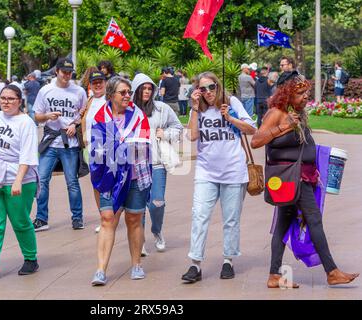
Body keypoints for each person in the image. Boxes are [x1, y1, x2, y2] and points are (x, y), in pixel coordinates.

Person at [250, 71, 359, 288]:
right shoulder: (277, 113)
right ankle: (332, 271)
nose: (306, 97)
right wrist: (285, 126)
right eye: (300, 93)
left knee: (282, 224)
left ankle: (274, 275)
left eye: (306, 92)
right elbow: (256, 140)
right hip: (292, 177)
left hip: (301, 177)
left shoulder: (297, 113)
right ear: (287, 94)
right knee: (314, 220)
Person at [181, 71, 256, 283]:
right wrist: (195, 109)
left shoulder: (232, 102)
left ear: (218, 86)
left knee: (231, 220)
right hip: (206, 172)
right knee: (199, 216)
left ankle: (228, 261)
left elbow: (252, 129)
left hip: (233, 172)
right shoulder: (200, 108)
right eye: (202, 89)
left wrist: (230, 117)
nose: (208, 92)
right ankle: (195, 264)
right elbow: (193, 136)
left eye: (211, 87)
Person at [89, 76, 152, 286]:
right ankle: (100, 270)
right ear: (111, 95)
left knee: (134, 220)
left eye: (129, 92)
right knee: (107, 219)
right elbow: (96, 150)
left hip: (134, 174)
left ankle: (136, 265)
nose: (127, 96)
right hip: (109, 176)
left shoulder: (138, 115)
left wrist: (126, 147)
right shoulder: (99, 116)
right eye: (123, 92)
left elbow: (145, 143)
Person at [0, 84, 39, 283]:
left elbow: (27, 157)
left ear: (20, 101)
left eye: (11, 98)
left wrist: (18, 181)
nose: (6, 102)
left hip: (18, 180)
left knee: (20, 221)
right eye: (3, 98)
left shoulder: (26, 123)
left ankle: (30, 258)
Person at [33, 57, 88, 231]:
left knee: (72, 181)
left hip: (69, 143)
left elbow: (83, 113)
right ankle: (41, 218)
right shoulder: (46, 90)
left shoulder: (78, 91)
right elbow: (37, 115)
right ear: (56, 72)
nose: (66, 75)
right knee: (41, 179)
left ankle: (77, 217)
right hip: (50, 141)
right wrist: (48, 116)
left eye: (69, 72)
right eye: (63, 72)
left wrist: (74, 124)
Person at [131, 73, 183, 255]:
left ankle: (157, 230)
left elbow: (178, 127)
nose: (146, 91)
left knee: (156, 202)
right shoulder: (129, 110)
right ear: (136, 90)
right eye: (143, 88)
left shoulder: (162, 108)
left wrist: (166, 134)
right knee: (138, 206)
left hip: (157, 164)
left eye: (149, 88)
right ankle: (140, 240)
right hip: (135, 165)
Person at [81, 71, 107, 234]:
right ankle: (104, 218)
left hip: (108, 148)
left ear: (105, 83)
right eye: (94, 82)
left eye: (100, 81)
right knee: (97, 185)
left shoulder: (110, 99)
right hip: (91, 149)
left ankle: (113, 214)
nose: (97, 84)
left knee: (110, 183)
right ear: (90, 84)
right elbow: (84, 120)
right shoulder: (90, 100)